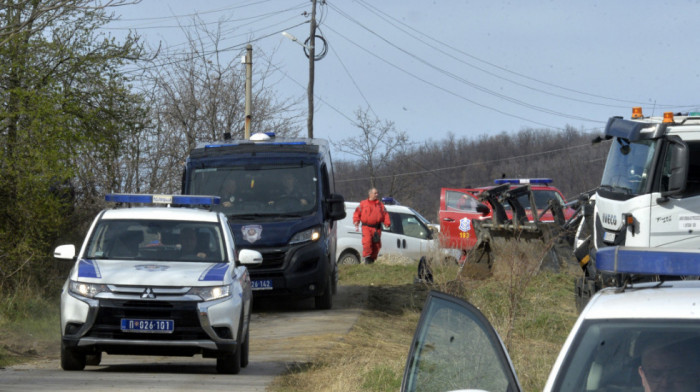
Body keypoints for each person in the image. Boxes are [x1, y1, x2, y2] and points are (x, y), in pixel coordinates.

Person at [353, 187, 390, 264]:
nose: (377, 195)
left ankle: (372, 260)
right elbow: (357, 213)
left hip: (377, 228)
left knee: (376, 245)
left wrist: (387, 223)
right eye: (375, 193)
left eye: (377, 193)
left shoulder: (380, 205)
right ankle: (367, 259)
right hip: (366, 227)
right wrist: (356, 221)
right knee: (367, 243)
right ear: (370, 194)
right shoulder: (363, 203)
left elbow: (385, 214)